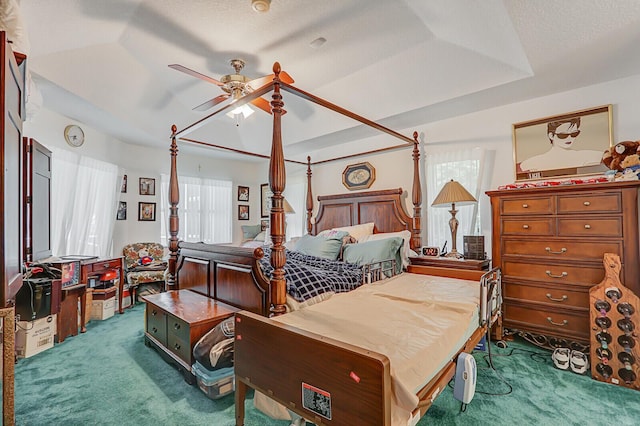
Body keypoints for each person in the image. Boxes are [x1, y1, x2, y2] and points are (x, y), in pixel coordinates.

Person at [519, 117, 604, 172]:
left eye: (574, 134)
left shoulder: (586, 155)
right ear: (551, 136)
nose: (569, 138)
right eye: (563, 135)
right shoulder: (532, 162)